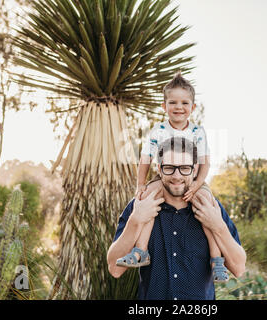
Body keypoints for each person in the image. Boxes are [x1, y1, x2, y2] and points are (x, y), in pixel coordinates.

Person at [114, 71, 230, 282]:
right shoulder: (158, 130)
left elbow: (205, 163)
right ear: (164, 106)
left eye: (185, 103)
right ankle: (141, 251)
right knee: (148, 199)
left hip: (192, 178)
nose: (179, 107)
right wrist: (141, 184)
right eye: (173, 102)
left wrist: (197, 184)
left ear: (192, 107)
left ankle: (216, 259)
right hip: (164, 177)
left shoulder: (197, 132)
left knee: (206, 203)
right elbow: (146, 159)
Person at [107, 137, 246, 300]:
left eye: (184, 168)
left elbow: (238, 268)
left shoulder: (211, 208)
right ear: (159, 168)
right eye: (169, 168)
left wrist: (218, 226)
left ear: (195, 170)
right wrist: (136, 220)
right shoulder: (140, 205)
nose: (176, 175)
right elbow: (114, 269)